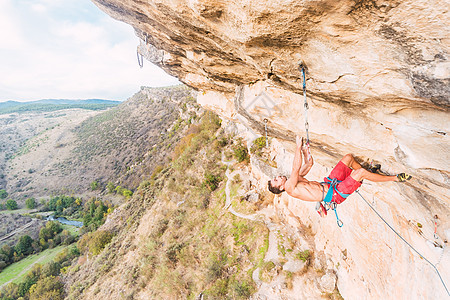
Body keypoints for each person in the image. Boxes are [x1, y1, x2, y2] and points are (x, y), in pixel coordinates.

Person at [268, 136, 411, 216]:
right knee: (359, 173)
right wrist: (298, 147)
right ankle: (395, 178)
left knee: (348, 158)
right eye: (276, 180)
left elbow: (309, 164)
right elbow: (295, 168)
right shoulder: (290, 187)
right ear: (280, 187)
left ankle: (368, 173)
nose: (278, 176)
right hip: (335, 194)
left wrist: (306, 150)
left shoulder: (294, 181)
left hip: (330, 183)